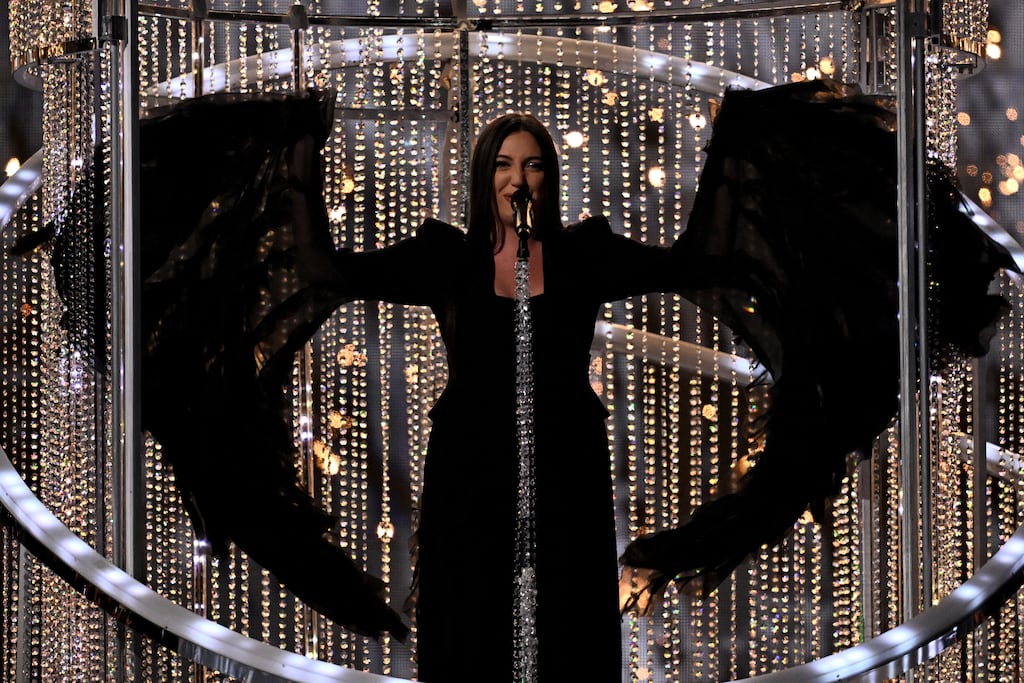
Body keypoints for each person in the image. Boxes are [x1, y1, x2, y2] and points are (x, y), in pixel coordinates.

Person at [332, 112, 680, 681]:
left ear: (548, 178)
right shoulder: (448, 260)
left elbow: (689, 264)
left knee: (564, 627)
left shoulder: (582, 258)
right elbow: (337, 272)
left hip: (565, 474)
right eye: (503, 164)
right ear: (483, 175)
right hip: (471, 475)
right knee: (472, 624)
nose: (517, 179)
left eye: (532, 164)